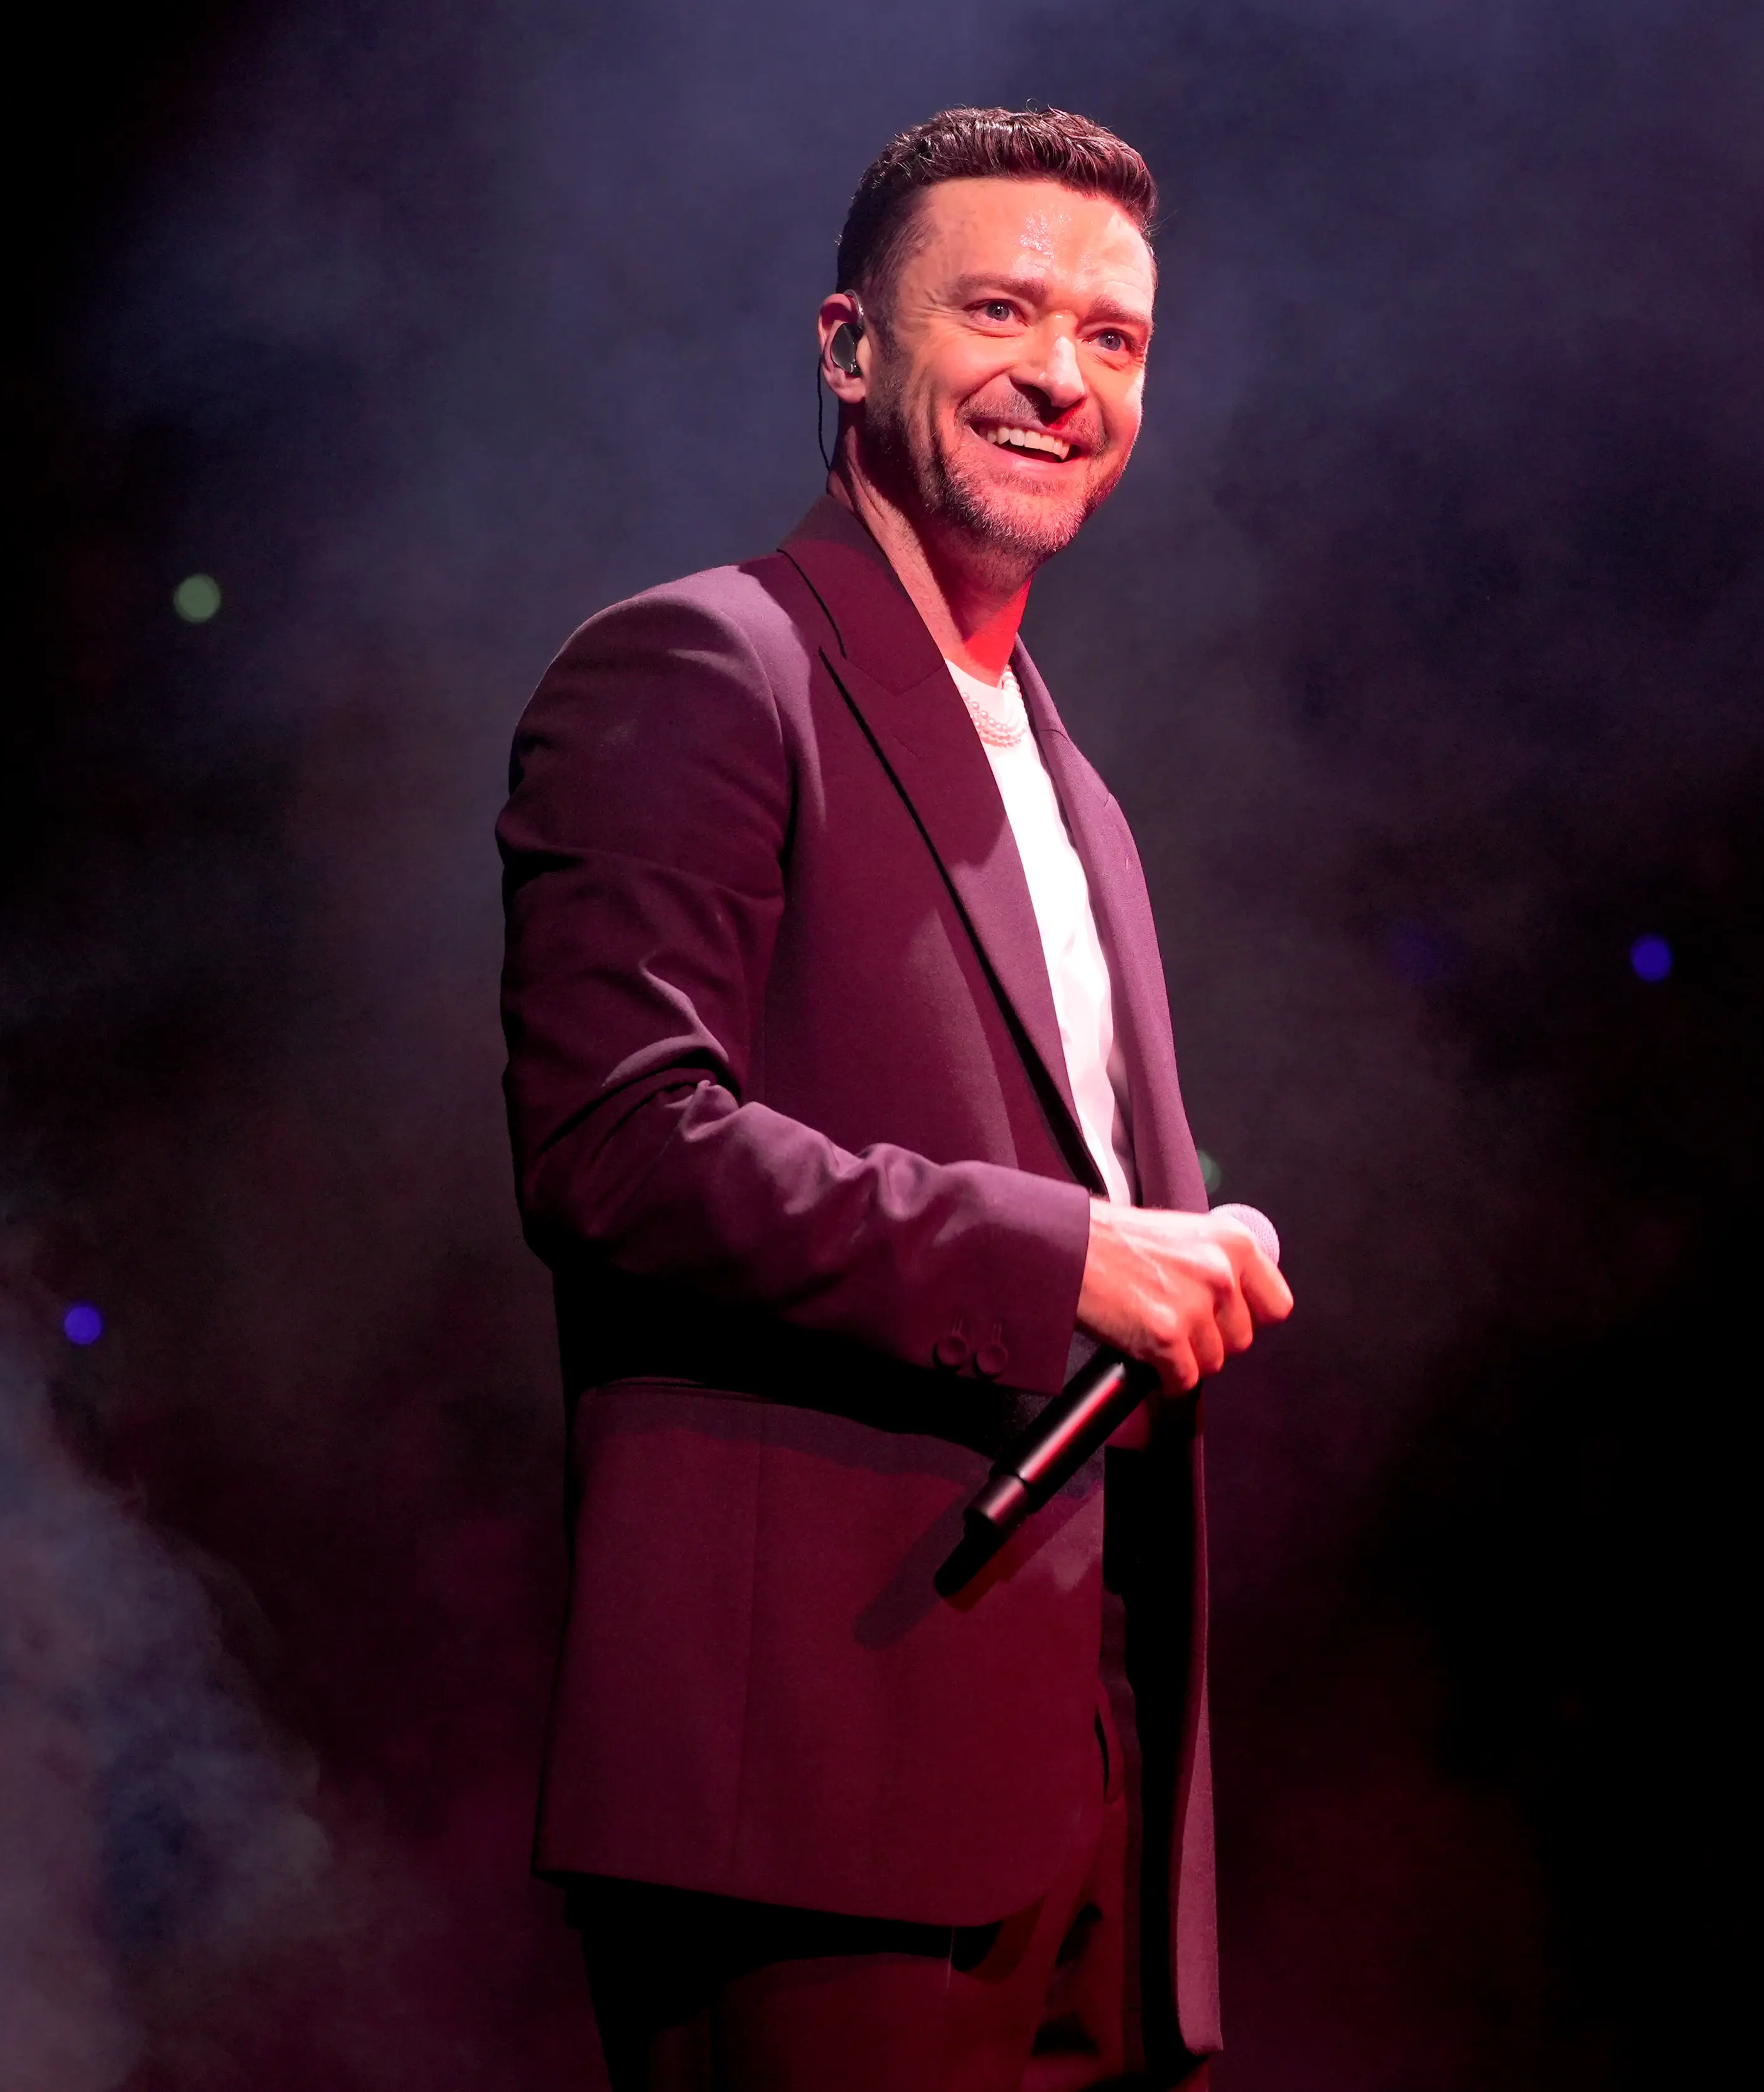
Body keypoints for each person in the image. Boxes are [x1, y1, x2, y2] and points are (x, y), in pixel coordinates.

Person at [497, 106, 1291, 2092]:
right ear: (850, 345)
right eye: (1002, 311)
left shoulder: (1080, 789)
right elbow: (616, 1144)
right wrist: (1071, 1257)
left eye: (1113, 338)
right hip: (811, 1777)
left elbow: (1041, 1176)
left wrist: (1176, 1235)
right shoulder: (701, 665)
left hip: (1073, 1758)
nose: (1063, 373)